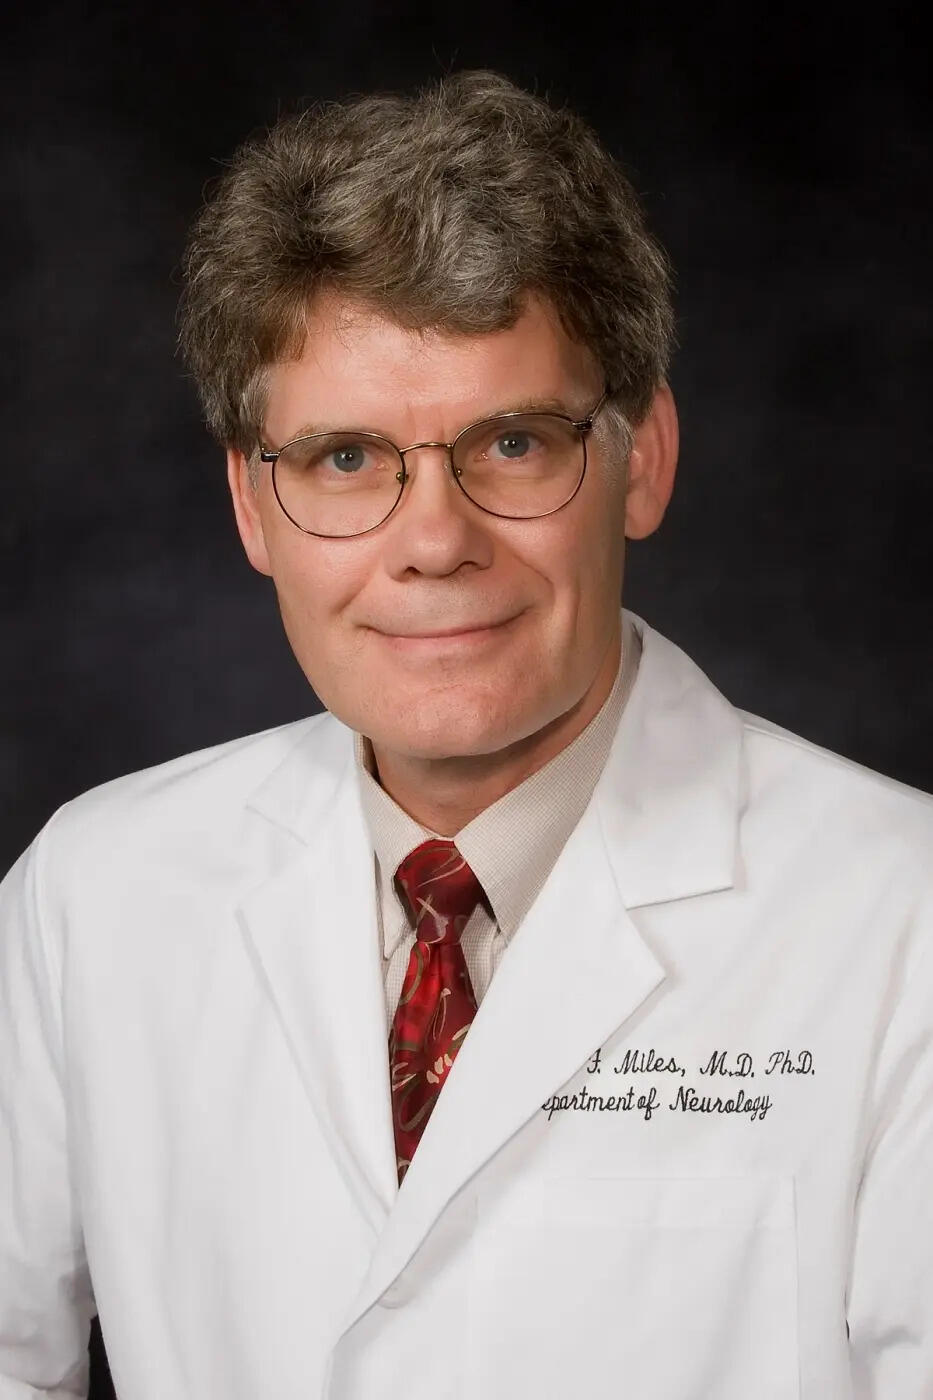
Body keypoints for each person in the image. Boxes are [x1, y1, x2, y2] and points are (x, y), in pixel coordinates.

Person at [1, 67, 930, 1400]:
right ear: (252, 507)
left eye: (513, 444)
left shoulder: (901, 923)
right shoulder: (88, 899)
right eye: (343, 459)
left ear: (642, 458)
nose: (433, 542)